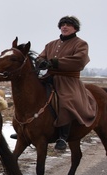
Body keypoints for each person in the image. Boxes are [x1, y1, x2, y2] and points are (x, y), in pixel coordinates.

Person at [35, 15, 97, 151]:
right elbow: (41, 56)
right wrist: (40, 61)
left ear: (75, 28)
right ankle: (26, 129)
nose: (64, 26)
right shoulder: (51, 44)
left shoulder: (81, 44)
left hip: (68, 80)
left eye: (68, 24)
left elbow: (79, 61)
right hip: (49, 77)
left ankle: (63, 136)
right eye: (62, 24)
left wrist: (55, 63)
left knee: (67, 101)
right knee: (32, 96)